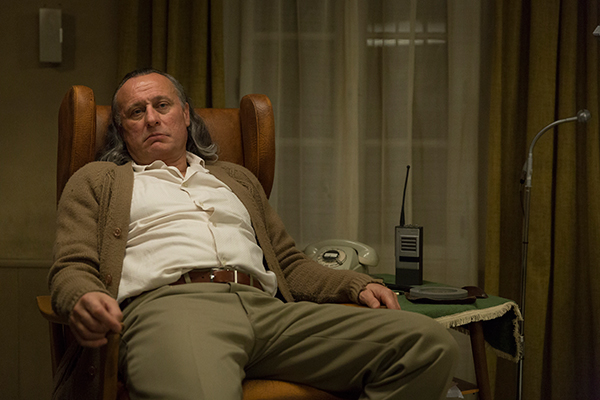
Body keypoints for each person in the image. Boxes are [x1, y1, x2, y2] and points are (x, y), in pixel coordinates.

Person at [48, 68, 458, 400]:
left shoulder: (236, 179)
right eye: (136, 112)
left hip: (269, 313)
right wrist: (84, 297)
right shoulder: (99, 180)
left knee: (426, 344)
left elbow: (290, 264)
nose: (152, 118)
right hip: (171, 310)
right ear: (121, 129)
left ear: (186, 114)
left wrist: (355, 283)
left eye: (162, 105)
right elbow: (71, 266)